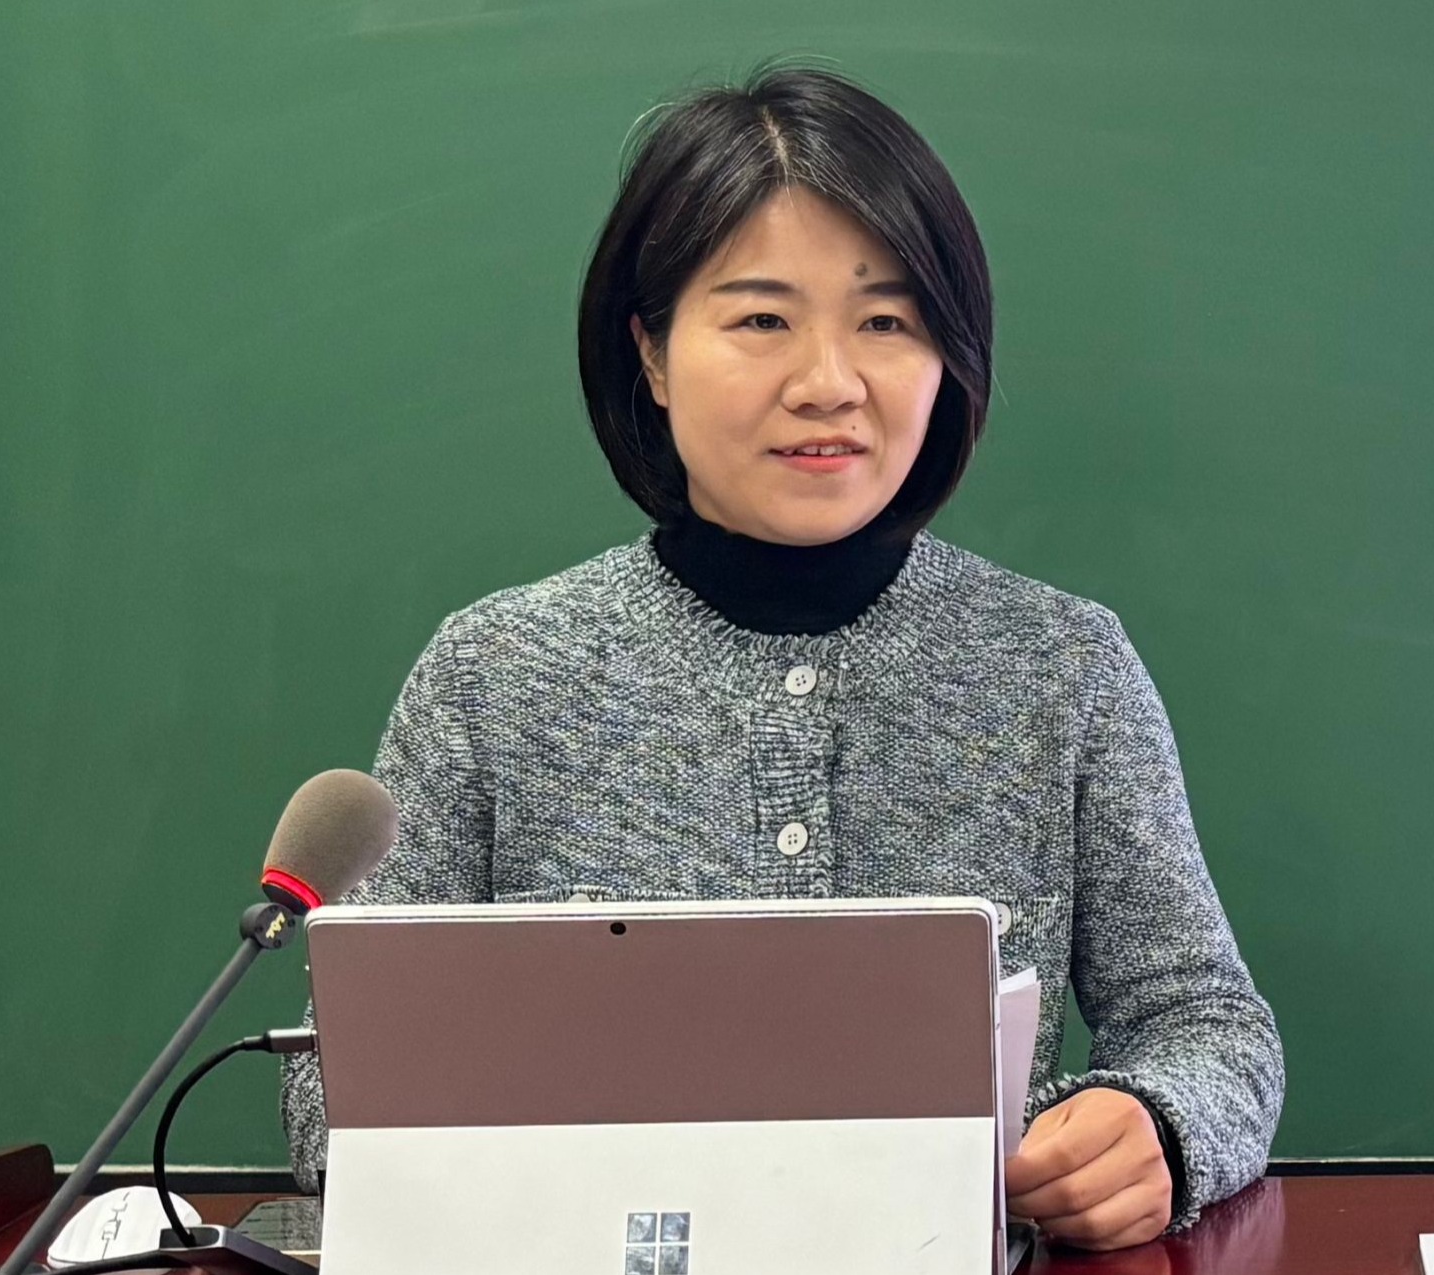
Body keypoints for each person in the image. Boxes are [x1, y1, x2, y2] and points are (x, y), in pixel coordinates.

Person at [282, 62, 1283, 1250]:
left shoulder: (1060, 666)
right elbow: (333, 1083)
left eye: (886, 322)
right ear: (652, 353)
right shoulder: (494, 674)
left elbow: (1206, 1027)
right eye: (761, 319)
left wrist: (1158, 1122)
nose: (829, 384)